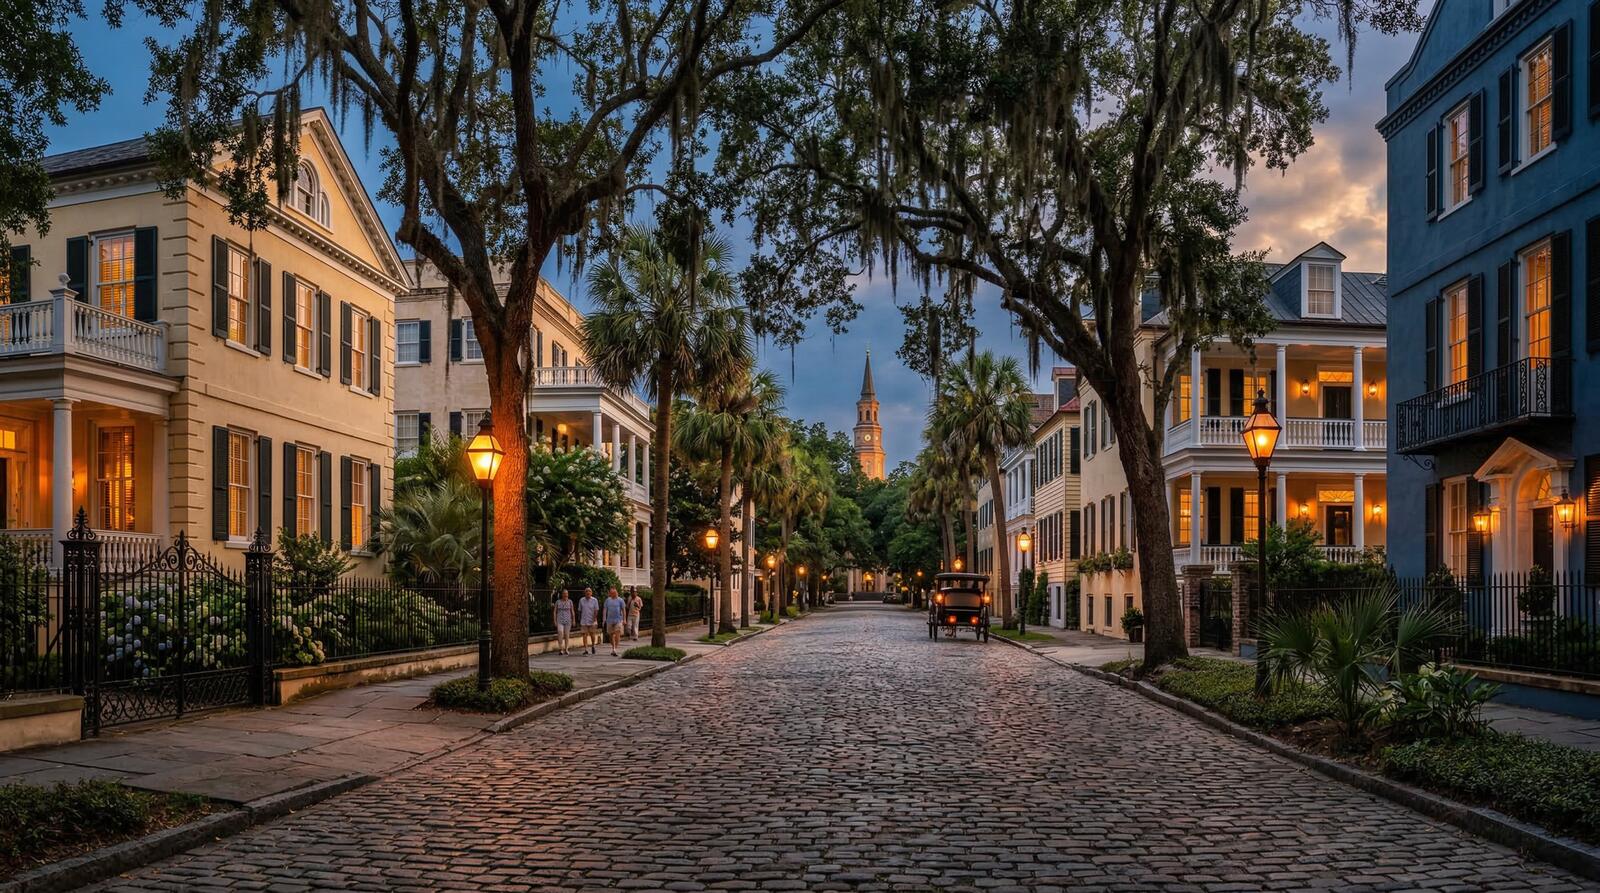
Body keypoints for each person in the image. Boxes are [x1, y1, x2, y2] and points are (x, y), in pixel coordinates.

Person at [603, 587, 626, 656]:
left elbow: (623, 610)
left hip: (618, 620)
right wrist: (604, 619)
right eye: (612, 593)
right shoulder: (607, 600)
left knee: (617, 634)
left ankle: (615, 649)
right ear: (610, 593)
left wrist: (624, 619)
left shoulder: (620, 600)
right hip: (609, 620)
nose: (614, 594)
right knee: (611, 635)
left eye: (615, 592)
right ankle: (613, 647)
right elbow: (605, 610)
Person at [578, 588, 600, 655]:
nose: (588, 593)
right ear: (585, 593)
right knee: (584, 635)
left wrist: (594, 618)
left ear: (591, 593)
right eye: (587, 591)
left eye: (589, 591)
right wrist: (579, 618)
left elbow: (596, 610)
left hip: (592, 620)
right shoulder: (581, 600)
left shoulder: (594, 600)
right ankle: (586, 649)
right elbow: (579, 610)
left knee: (592, 634)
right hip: (584, 620)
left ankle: (593, 645)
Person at [552, 590, 574, 655]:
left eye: (566, 593)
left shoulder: (570, 602)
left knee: (567, 635)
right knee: (560, 633)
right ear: (562, 594)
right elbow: (554, 611)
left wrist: (574, 620)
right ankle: (561, 648)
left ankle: (566, 648)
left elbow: (572, 611)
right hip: (560, 620)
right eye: (564, 593)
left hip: (568, 620)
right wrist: (555, 620)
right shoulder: (558, 602)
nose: (565, 594)